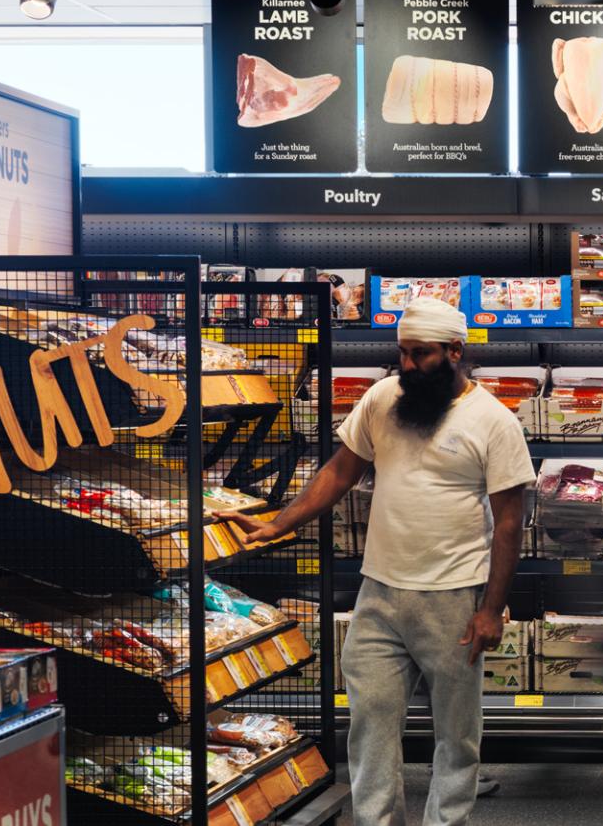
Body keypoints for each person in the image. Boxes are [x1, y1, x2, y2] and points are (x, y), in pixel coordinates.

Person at [217, 297, 533, 825]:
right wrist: (278, 523)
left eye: (421, 354)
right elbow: (339, 473)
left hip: (453, 598)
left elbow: (508, 523)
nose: (407, 366)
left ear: (455, 351)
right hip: (379, 593)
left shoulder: (493, 422)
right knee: (370, 727)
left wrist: (491, 610)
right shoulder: (384, 398)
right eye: (403, 353)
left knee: (457, 737)